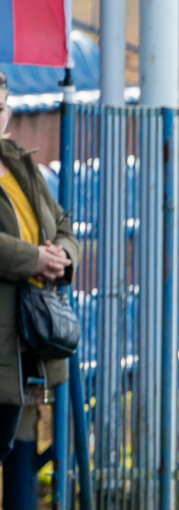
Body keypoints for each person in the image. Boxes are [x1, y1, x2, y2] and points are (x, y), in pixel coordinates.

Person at [0, 71, 79, 463]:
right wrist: (35, 259)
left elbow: (61, 221)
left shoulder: (16, 160)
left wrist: (62, 255)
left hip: (18, 338)